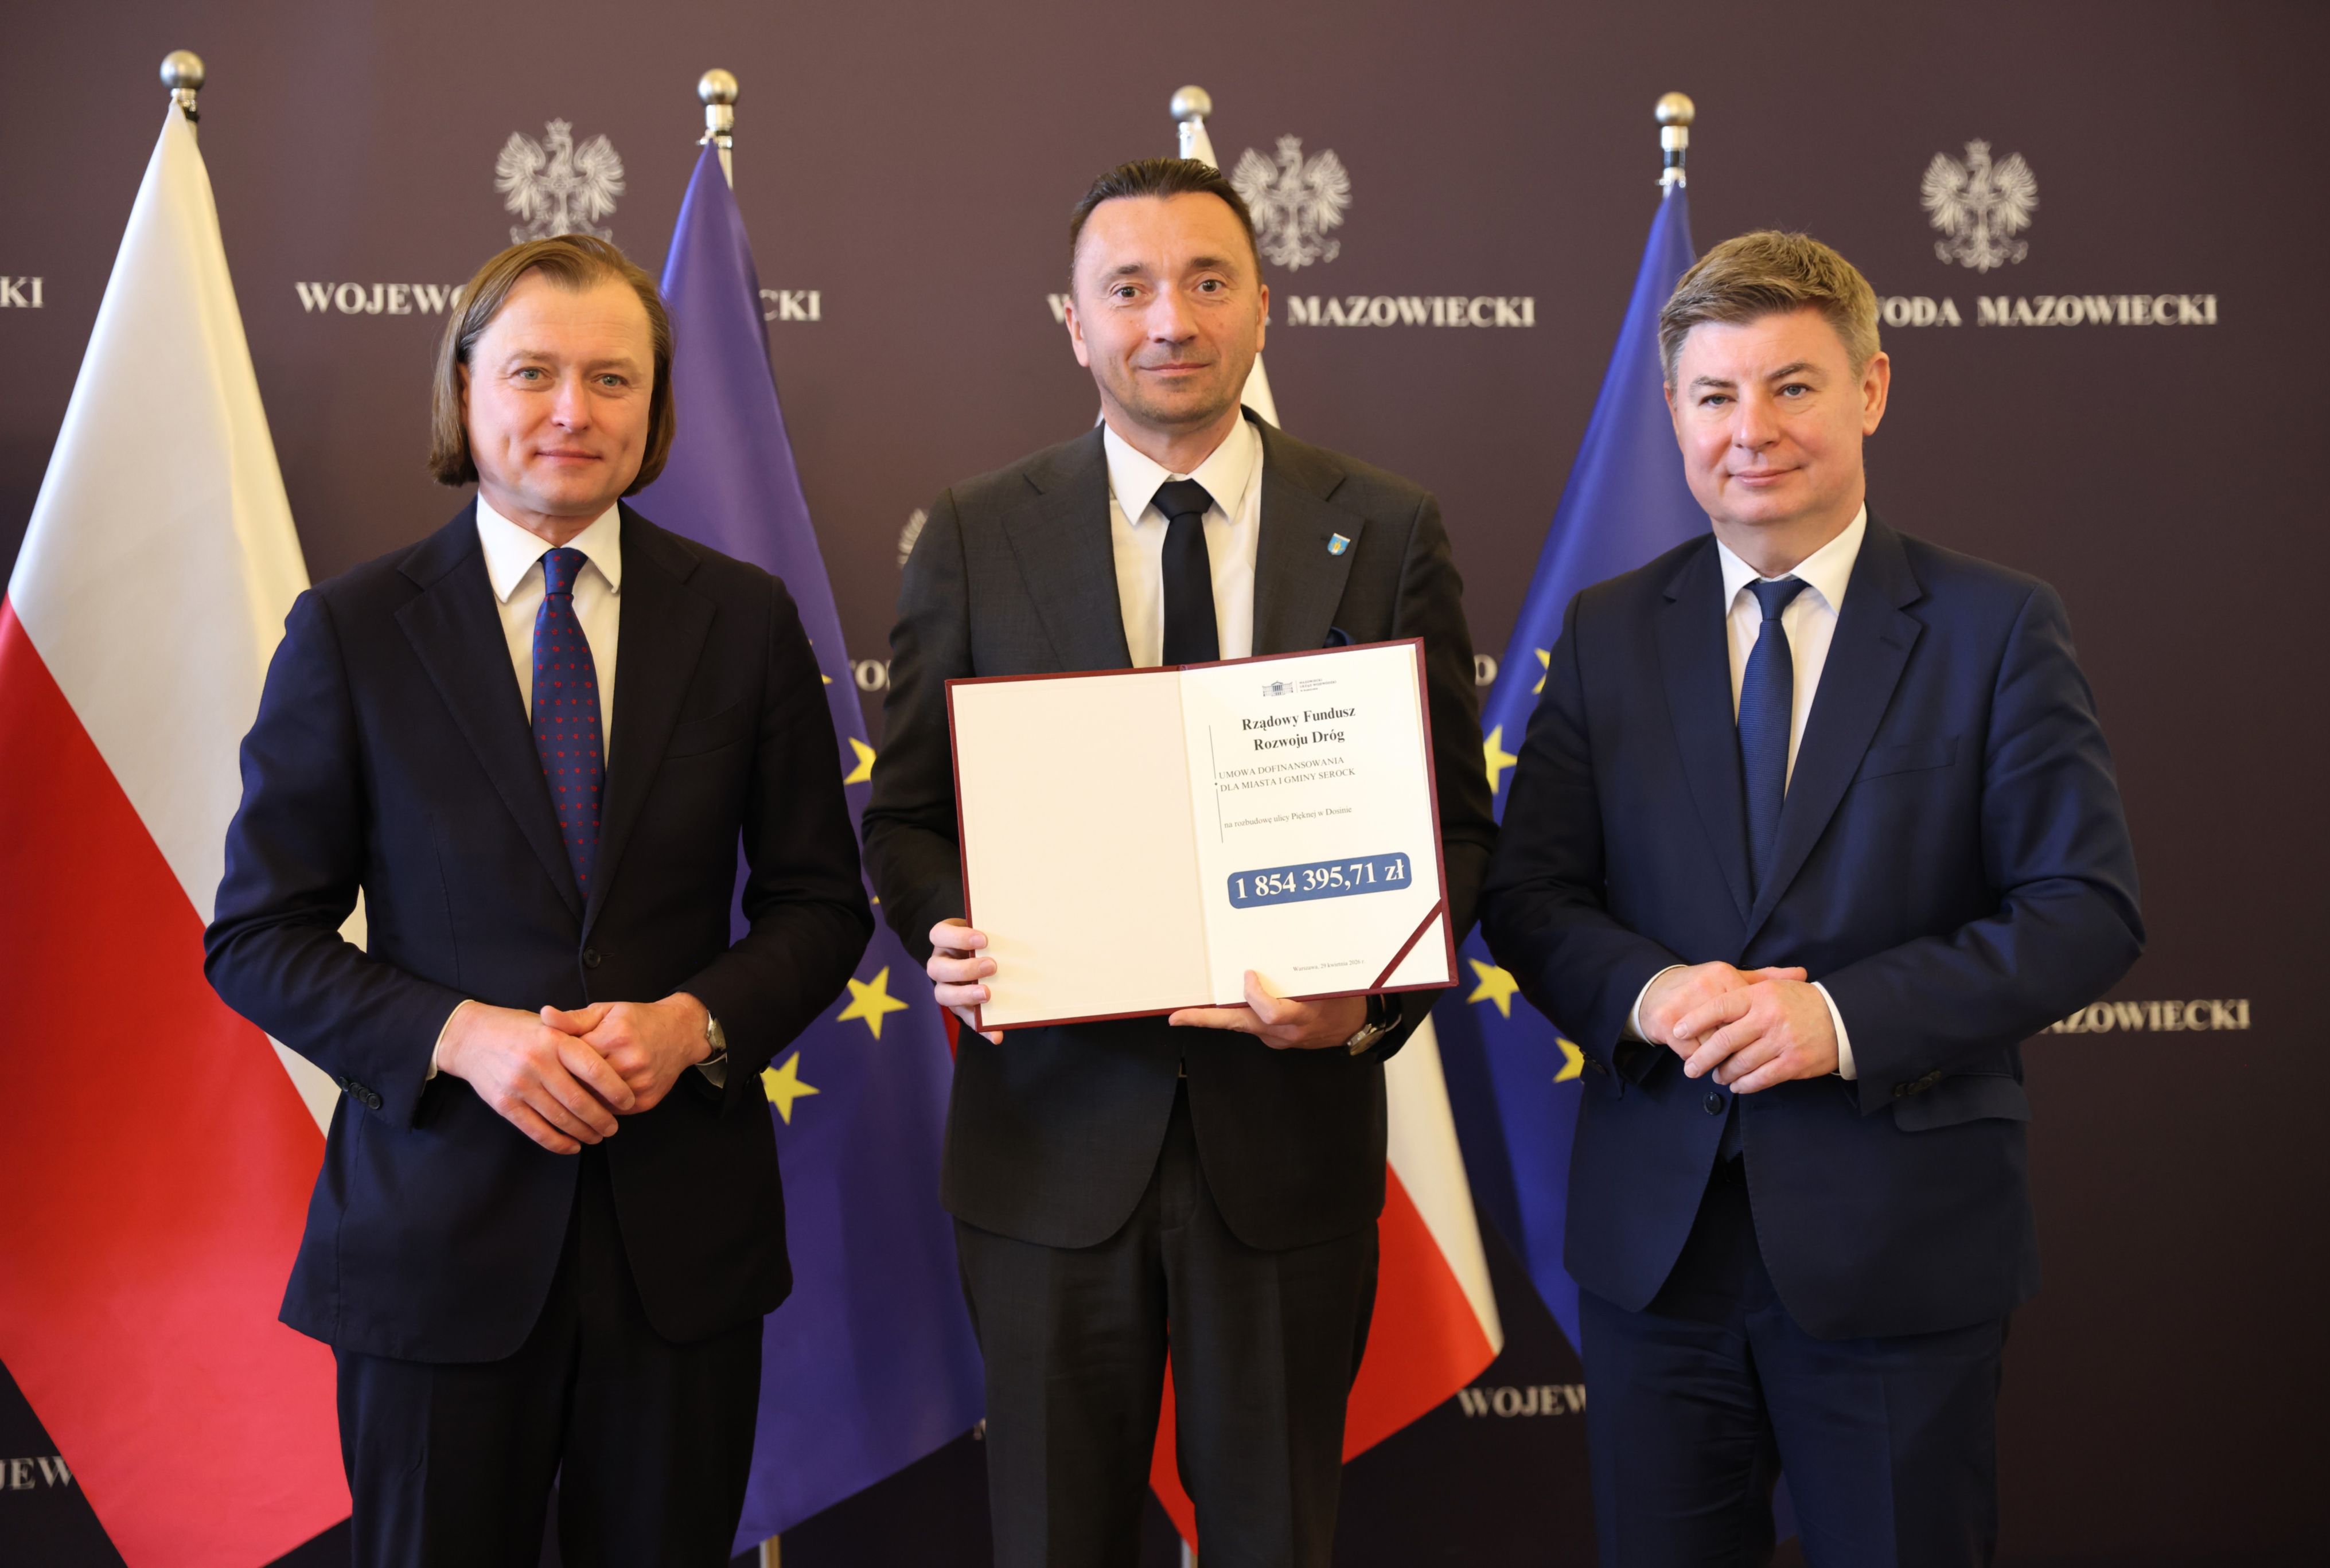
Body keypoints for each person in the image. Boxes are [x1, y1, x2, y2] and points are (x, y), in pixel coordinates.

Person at [862, 157, 1494, 1567]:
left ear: (1263, 306)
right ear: (1072, 322)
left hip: (1288, 1151)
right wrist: (946, 927)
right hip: (1045, 1152)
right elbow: (904, 817)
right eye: (1128, 287)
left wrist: (1367, 1002)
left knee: (1272, 1538)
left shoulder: (1385, 527)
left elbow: (1455, 827)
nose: (1169, 319)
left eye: (1207, 282)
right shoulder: (973, 530)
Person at [204, 234, 871, 1567]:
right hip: (435, 1248)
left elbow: (819, 903)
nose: (573, 409)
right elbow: (258, 935)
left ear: (653, 407)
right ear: (464, 391)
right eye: (533, 372)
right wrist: (461, 1036)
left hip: (680, 1253)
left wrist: (695, 1021)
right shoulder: (352, 630)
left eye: (612, 378)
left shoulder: (743, 620)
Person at [1480, 231, 2143, 1567]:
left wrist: (1836, 1018)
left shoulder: (1994, 626)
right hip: (1657, 1255)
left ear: (1870, 389)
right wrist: (1648, 992)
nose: (1751, 430)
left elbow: (2083, 905)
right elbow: (1531, 890)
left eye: (1791, 386)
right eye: (1713, 395)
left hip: (1897, 1245)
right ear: (1672, 411)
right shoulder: (1606, 632)